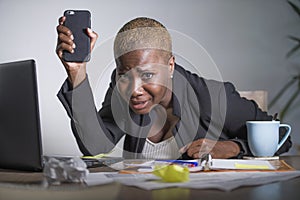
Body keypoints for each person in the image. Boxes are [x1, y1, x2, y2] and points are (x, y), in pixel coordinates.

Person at [56, 16, 292, 159]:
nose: (135, 90)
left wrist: (232, 147)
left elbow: (281, 136)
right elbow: (95, 146)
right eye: (124, 74)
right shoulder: (123, 86)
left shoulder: (212, 97)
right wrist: (77, 72)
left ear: (170, 65)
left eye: (147, 75)